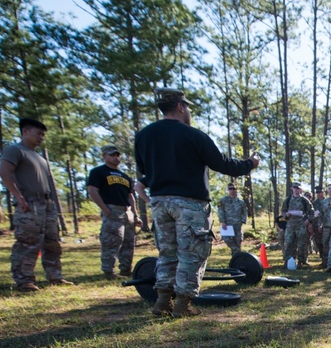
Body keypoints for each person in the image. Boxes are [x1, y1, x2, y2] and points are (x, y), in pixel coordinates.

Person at [134, 87, 259, 317]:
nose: (189, 111)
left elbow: (144, 171)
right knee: (192, 253)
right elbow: (223, 164)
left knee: (167, 253)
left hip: (160, 203)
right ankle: (182, 305)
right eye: (188, 107)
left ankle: (162, 301)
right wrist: (250, 163)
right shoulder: (193, 135)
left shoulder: (144, 135)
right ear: (181, 107)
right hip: (190, 204)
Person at [0, 117, 73, 291]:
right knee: (28, 241)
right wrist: (19, 197)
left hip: (46, 203)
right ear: (25, 131)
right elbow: (4, 172)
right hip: (29, 202)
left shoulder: (39, 158)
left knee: (52, 241)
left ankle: (55, 276)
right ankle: (24, 279)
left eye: (43, 134)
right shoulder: (15, 150)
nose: (41, 137)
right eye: (38, 133)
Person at [87, 144, 141, 280]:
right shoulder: (98, 172)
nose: (116, 158)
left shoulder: (125, 176)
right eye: (112, 155)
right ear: (104, 156)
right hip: (112, 209)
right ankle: (108, 270)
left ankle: (126, 269)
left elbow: (131, 196)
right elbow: (93, 191)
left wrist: (135, 215)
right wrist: (105, 209)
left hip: (126, 211)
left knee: (128, 241)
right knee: (111, 240)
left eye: (117, 155)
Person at [279, 182, 314, 267]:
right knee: (288, 243)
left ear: (300, 189)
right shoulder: (287, 200)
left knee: (302, 244)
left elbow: (312, 213)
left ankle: (301, 261)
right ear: (292, 189)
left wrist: (308, 220)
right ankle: (288, 261)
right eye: (294, 188)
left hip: (301, 225)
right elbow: (283, 211)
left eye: (297, 188)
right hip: (290, 225)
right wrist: (285, 215)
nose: (296, 190)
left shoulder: (304, 200)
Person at [217, 183, 247, 256]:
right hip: (227, 225)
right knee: (226, 239)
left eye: (234, 188)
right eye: (230, 188)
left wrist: (243, 220)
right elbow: (220, 211)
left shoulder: (241, 202)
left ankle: (236, 261)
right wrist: (222, 221)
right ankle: (237, 251)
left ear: (236, 190)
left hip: (237, 224)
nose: (232, 190)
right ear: (228, 190)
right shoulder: (222, 201)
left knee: (238, 241)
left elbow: (245, 212)